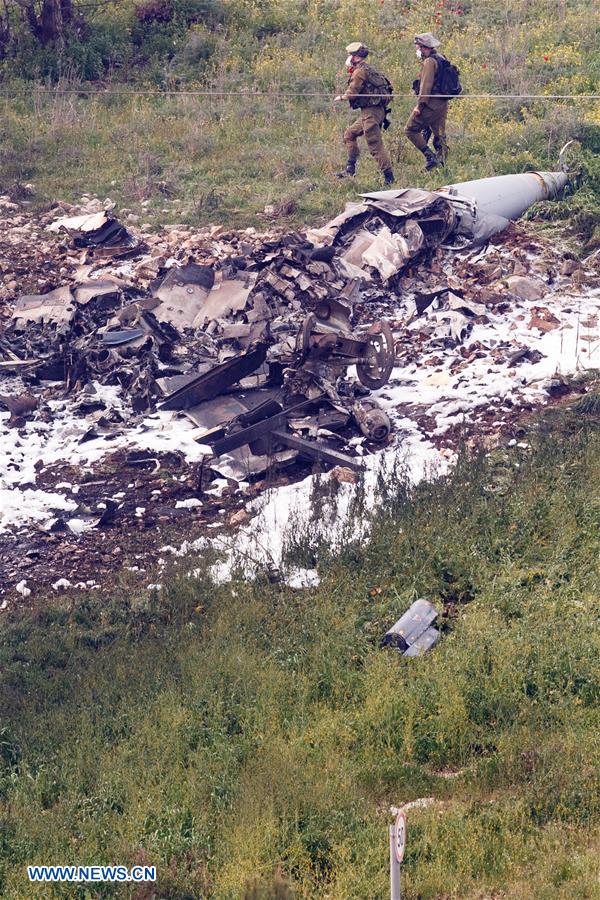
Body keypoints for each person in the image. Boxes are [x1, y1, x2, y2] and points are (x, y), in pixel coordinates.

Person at [335, 42, 395, 184]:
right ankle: (350, 170)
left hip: (371, 113)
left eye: (350, 55)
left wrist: (342, 97)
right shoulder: (368, 69)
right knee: (350, 134)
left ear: (355, 57)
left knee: (375, 145)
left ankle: (389, 178)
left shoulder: (359, 71)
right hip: (374, 112)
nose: (349, 58)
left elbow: (353, 91)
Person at [404, 32, 449, 170]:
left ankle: (431, 158)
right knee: (439, 133)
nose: (417, 50)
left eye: (418, 47)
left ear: (424, 47)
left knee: (410, 130)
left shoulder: (429, 62)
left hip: (430, 104)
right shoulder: (441, 58)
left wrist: (419, 106)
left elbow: (426, 87)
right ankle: (442, 164)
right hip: (442, 103)